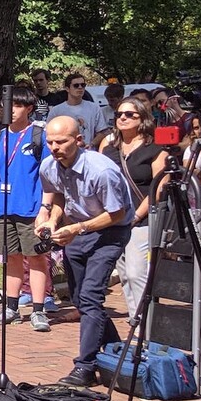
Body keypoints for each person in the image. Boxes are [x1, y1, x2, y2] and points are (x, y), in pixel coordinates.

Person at [37, 115, 135, 385]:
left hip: (109, 230)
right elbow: (57, 195)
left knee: (91, 298)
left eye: (61, 141)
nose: (55, 147)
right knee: (81, 300)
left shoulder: (101, 170)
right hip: (77, 229)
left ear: (78, 140)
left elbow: (117, 213)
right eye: (50, 142)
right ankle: (115, 352)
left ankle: (85, 367)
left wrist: (77, 229)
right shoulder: (49, 166)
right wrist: (50, 220)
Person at [0, 86, 53, 331]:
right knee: (10, 257)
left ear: (29, 108)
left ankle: (39, 309)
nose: (10, 111)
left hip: (31, 209)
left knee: (36, 258)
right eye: (6, 106)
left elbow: (49, 176)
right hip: (3, 208)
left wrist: (46, 207)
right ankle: (10, 307)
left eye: (17, 106)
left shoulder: (39, 135)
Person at [98, 97, 167, 318]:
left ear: (142, 119)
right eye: (119, 114)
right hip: (114, 219)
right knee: (125, 273)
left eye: (130, 115)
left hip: (142, 219)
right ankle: (135, 318)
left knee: (138, 271)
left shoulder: (155, 148)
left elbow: (158, 187)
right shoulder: (108, 145)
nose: (123, 118)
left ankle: (146, 321)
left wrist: (136, 216)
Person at [48, 71, 109, 148]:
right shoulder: (56, 111)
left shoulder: (94, 108)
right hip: (65, 154)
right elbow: (49, 133)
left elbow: (102, 132)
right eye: (76, 85)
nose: (80, 87)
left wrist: (91, 144)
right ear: (67, 89)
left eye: (83, 85)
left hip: (88, 153)